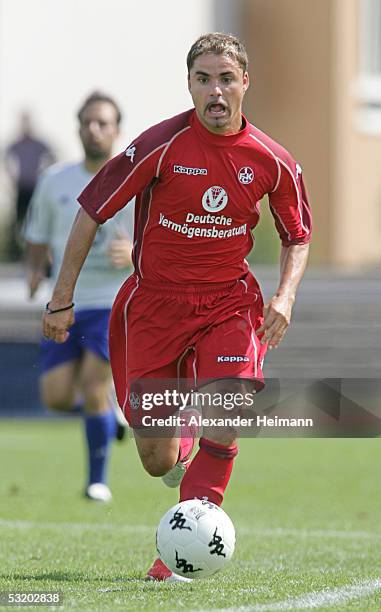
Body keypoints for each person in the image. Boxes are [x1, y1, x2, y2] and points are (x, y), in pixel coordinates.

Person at [42, 34, 312, 578]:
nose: (215, 92)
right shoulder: (160, 145)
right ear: (189, 84)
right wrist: (61, 300)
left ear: (245, 83)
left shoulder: (272, 160)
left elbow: (297, 234)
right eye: (203, 80)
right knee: (157, 460)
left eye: (226, 79)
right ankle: (183, 432)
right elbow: (91, 211)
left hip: (228, 304)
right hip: (154, 307)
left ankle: (178, 557)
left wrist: (284, 296)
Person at [25, 92, 134, 503]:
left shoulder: (134, 178)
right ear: (78, 128)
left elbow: (160, 236)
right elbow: (36, 237)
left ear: (117, 130)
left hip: (112, 301)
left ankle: (97, 481)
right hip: (64, 302)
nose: (95, 129)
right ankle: (108, 415)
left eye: (103, 123)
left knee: (92, 385)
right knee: (54, 398)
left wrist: (134, 251)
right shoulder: (56, 181)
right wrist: (35, 270)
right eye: (88, 122)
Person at [5, 112, 55, 259]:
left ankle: (36, 253)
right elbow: (6, 157)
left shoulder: (38, 143)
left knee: (36, 220)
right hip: (21, 186)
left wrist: (44, 174)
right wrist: (11, 177)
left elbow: (52, 155)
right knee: (18, 220)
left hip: (35, 187)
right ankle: (15, 252)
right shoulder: (17, 143)